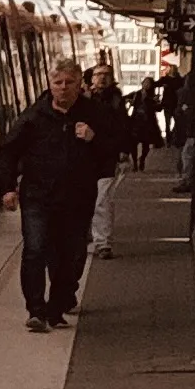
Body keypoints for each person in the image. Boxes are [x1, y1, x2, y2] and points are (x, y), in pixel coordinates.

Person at [0, 59, 113, 332]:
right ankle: (36, 310)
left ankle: (58, 305)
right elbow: (8, 152)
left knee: (70, 255)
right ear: (50, 85)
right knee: (35, 249)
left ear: (79, 85)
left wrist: (94, 139)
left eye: (69, 83)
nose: (63, 88)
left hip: (77, 198)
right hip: (38, 196)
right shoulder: (34, 117)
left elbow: (113, 149)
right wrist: (7, 188)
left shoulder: (95, 114)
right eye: (57, 83)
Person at [82, 61, 130, 258]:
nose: (102, 78)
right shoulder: (83, 99)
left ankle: (103, 243)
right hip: (84, 158)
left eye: (106, 75)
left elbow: (123, 128)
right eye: (98, 74)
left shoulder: (116, 102)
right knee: (83, 199)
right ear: (91, 78)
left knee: (102, 199)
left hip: (106, 157)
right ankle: (88, 235)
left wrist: (124, 151)